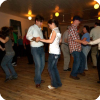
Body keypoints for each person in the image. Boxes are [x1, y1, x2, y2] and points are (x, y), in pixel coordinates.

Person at [39, 19, 62, 89]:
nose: (49, 27)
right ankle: (58, 83)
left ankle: (54, 84)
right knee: (54, 68)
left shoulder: (54, 31)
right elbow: (60, 41)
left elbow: (51, 41)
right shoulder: (58, 31)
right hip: (56, 52)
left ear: (52, 23)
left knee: (50, 69)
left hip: (54, 53)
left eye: (49, 25)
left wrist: (40, 39)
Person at [26, 15, 45, 88]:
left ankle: (37, 78)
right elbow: (28, 36)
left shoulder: (40, 29)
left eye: (42, 22)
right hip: (35, 49)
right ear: (36, 21)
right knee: (38, 65)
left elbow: (41, 39)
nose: (41, 23)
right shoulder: (32, 27)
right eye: (41, 22)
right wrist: (35, 39)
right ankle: (37, 81)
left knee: (42, 65)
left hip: (41, 48)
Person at [68, 15, 86, 80]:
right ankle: (73, 74)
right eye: (79, 21)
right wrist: (82, 42)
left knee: (83, 58)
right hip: (74, 48)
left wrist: (81, 43)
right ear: (75, 20)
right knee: (77, 61)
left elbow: (76, 39)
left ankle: (80, 71)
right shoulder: (72, 28)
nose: (79, 22)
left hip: (77, 48)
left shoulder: (75, 28)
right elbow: (75, 39)